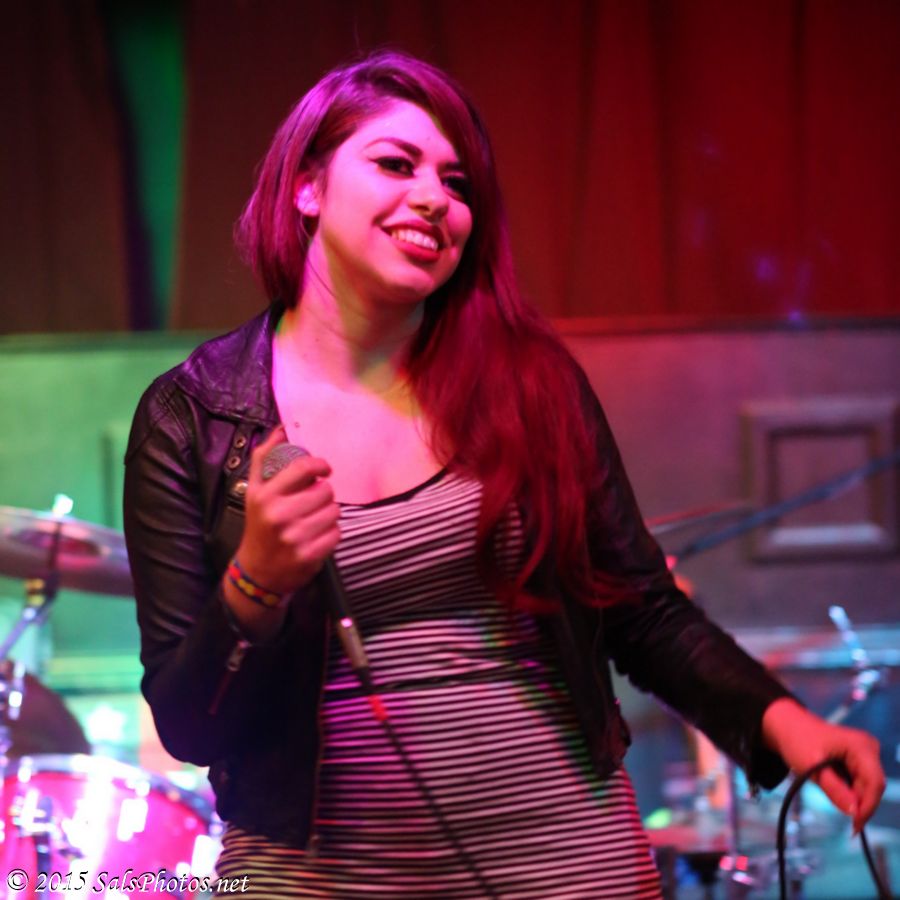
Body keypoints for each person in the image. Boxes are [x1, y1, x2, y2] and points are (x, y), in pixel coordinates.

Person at [123, 50, 884, 899]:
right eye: (396, 164)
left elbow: (640, 609)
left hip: (565, 862)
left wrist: (784, 723)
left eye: (458, 183)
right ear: (307, 186)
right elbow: (188, 725)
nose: (434, 199)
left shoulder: (529, 385)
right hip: (316, 875)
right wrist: (255, 586)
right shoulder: (192, 417)